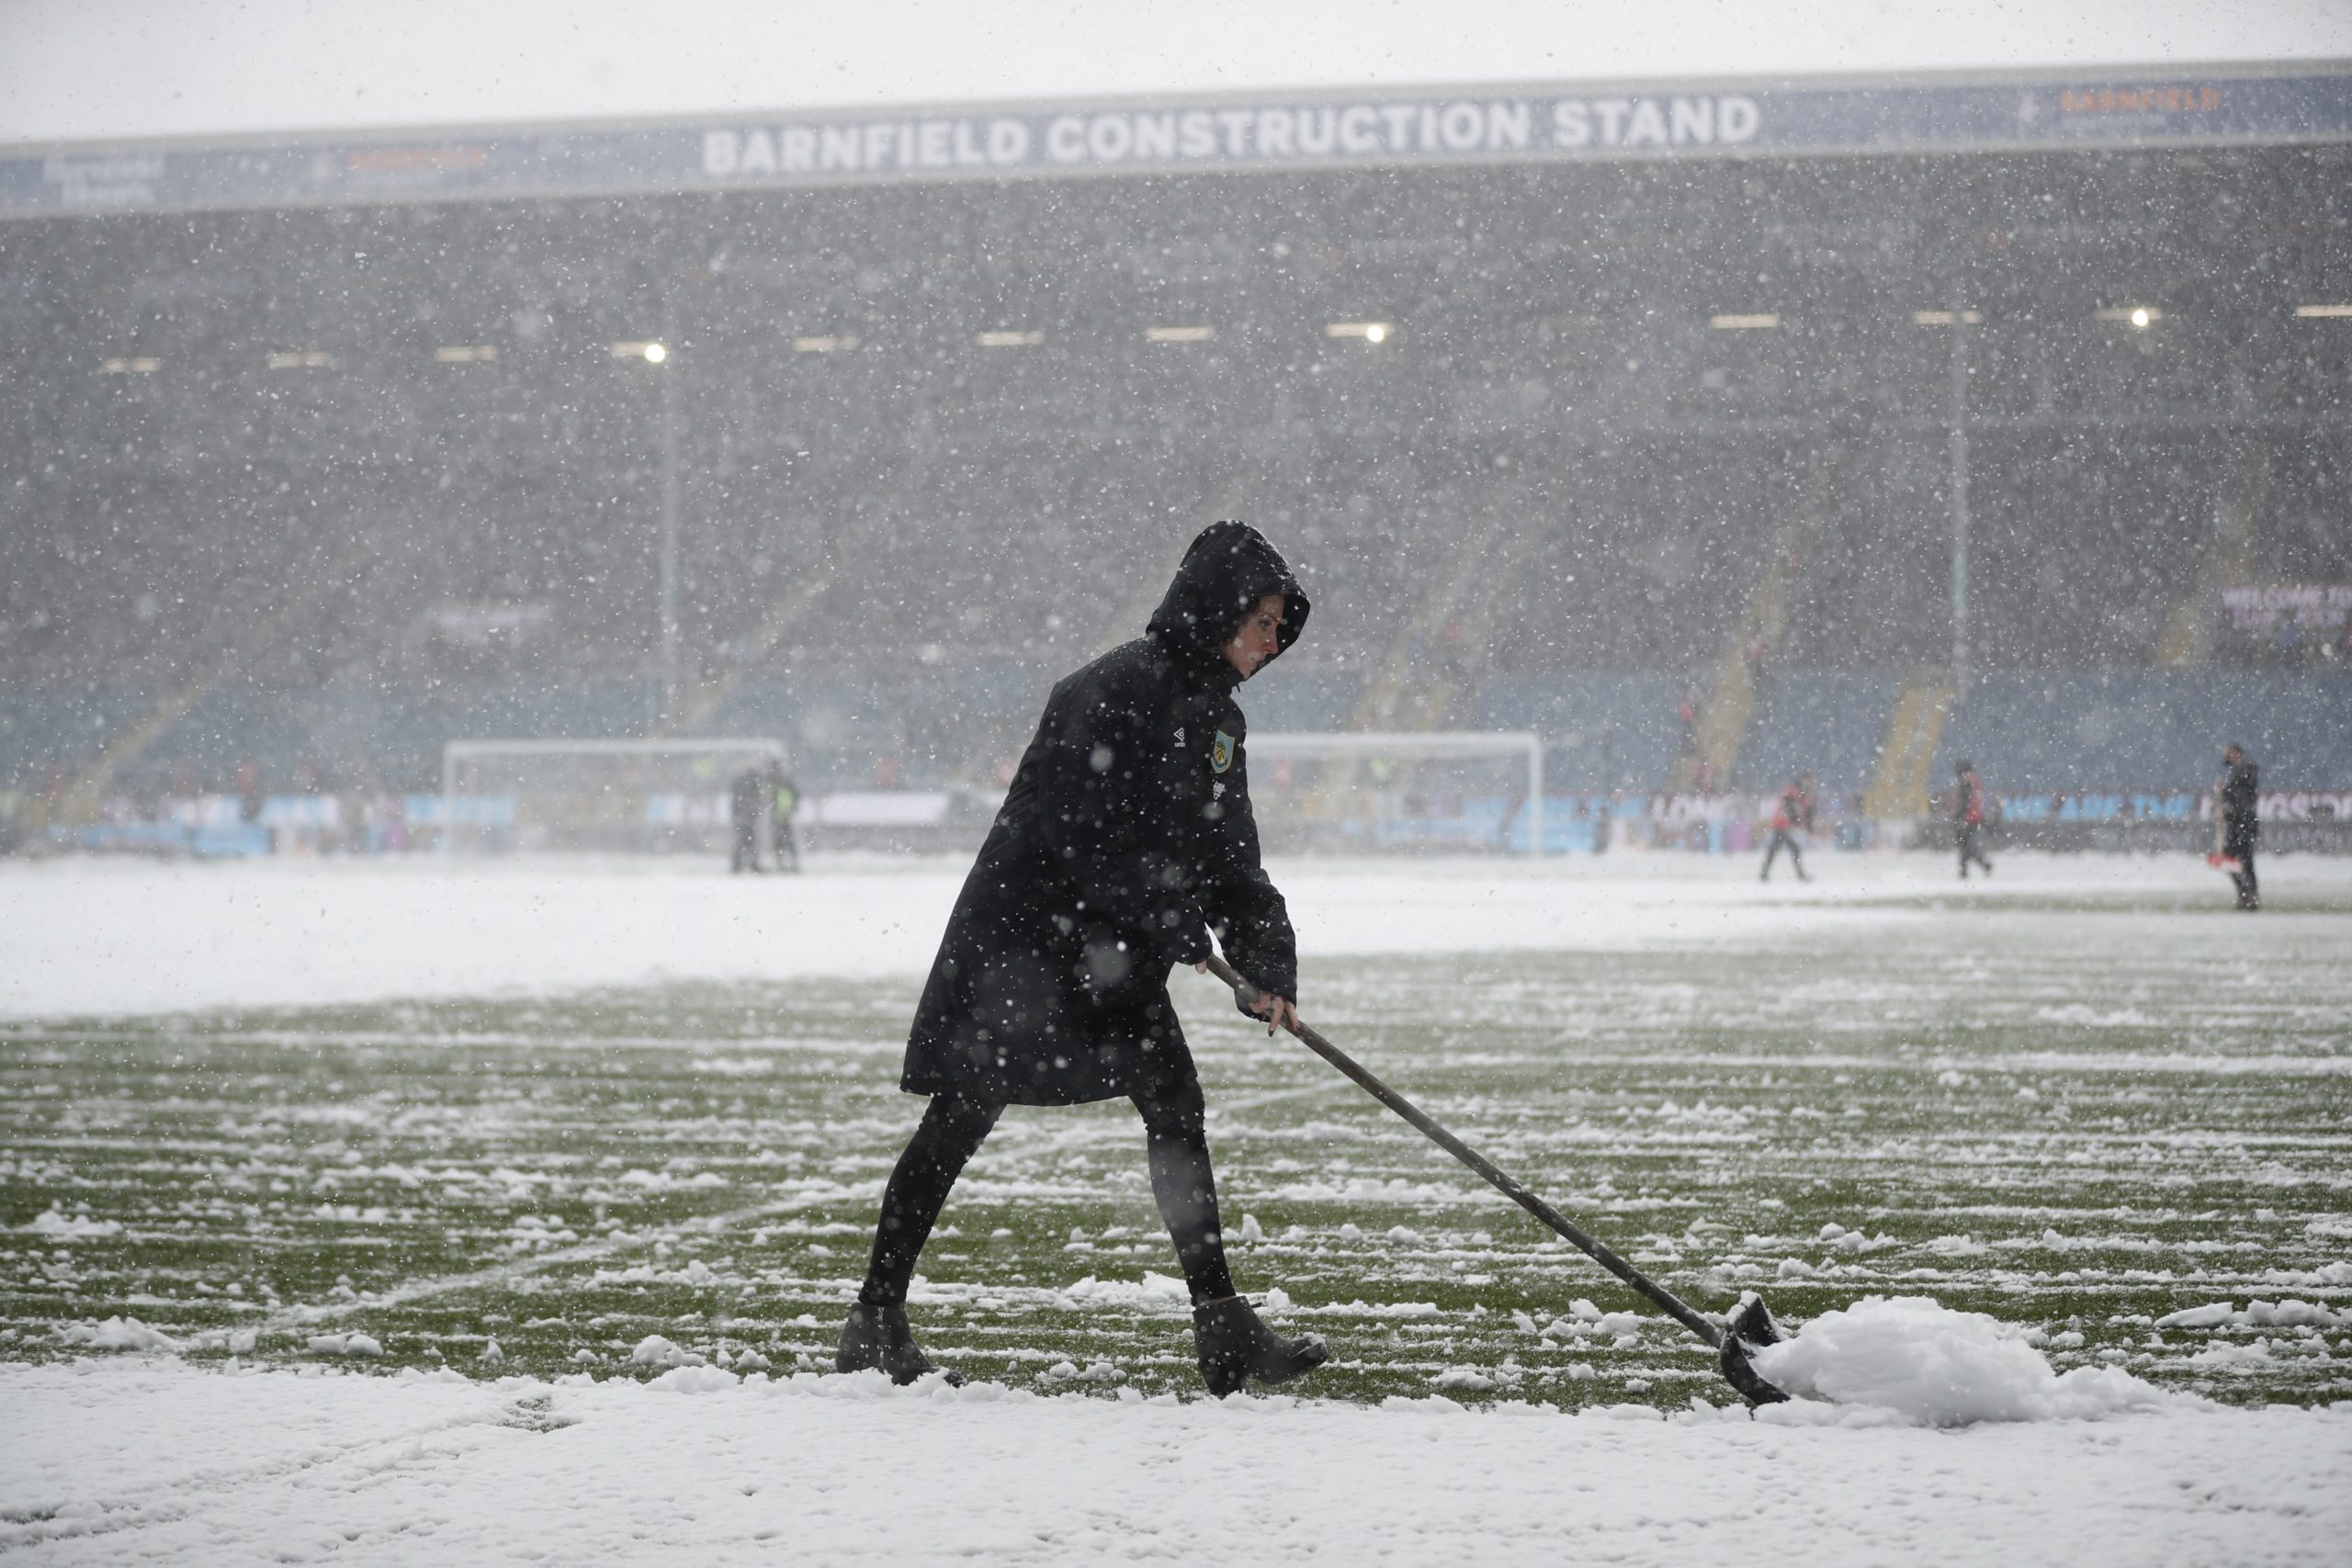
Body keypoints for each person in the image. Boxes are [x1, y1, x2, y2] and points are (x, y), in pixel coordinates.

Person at [838, 521, 1326, 1397]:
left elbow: (1231, 861)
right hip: (1023, 949)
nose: (1269, 641)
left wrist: (1266, 968)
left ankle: (1221, 1325)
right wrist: (1165, 909)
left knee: (1175, 1099)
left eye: (1277, 627)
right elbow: (1077, 834)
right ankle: (874, 1318)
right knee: (962, 1112)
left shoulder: (1221, 722)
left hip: (1114, 954)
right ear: (1215, 608)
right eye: (1259, 620)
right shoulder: (1105, 689)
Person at [2216, 742, 2260, 910]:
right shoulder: (2241, 770)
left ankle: (2247, 895)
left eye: (2227, 752)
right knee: (2238, 860)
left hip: (2242, 822)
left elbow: (2240, 798)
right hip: (2240, 822)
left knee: (2241, 860)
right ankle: (2247, 895)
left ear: (2235, 752)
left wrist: (2224, 793)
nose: (2225, 756)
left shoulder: (2243, 769)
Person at [1758, 772, 1814, 882]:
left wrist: (1804, 823)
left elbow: (1803, 809)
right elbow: (1790, 807)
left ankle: (1764, 873)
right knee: (1792, 849)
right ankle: (1800, 875)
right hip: (1783, 824)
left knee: (1775, 849)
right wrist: (1797, 822)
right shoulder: (1794, 790)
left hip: (1782, 824)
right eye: (1810, 780)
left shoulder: (1799, 791)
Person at [1953, 759, 1994, 879]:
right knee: (1967, 847)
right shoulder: (1974, 781)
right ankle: (1978, 866)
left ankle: (1968, 870)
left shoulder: (1966, 782)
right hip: (1974, 819)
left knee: (1965, 847)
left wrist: (1959, 817)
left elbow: (1965, 802)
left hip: (1968, 819)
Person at [729, 765, 765, 874]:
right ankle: (749, 864)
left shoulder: (743, 783)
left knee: (744, 841)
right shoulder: (751, 784)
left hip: (745, 817)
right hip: (747, 817)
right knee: (748, 841)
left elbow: (736, 801)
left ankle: (739, 864)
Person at [767, 760, 800, 873]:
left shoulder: (783, 781)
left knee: (786, 840)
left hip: (784, 815)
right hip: (778, 815)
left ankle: (790, 862)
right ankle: (782, 862)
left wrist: (792, 806)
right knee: (781, 840)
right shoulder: (772, 781)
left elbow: (795, 794)